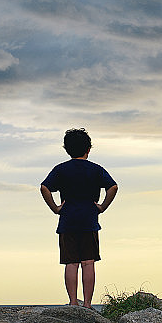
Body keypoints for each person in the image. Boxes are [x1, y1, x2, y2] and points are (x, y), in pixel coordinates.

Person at [40, 128, 118, 308]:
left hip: (67, 221)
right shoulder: (96, 169)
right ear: (88, 149)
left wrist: (55, 208)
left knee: (71, 263)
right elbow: (112, 187)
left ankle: (73, 302)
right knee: (88, 262)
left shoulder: (60, 169)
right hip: (89, 220)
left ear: (67, 149)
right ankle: (88, 304)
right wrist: (102, 207)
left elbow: (45, 187)